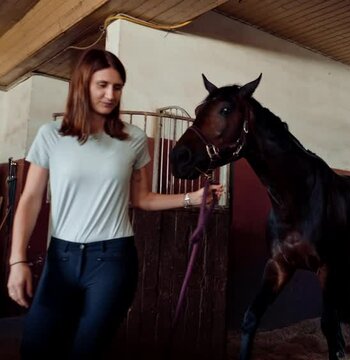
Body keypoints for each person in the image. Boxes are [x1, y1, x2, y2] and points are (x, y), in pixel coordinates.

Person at [5, 48, 223, 359]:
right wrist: (17, 261)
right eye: (102, 85)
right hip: (61, 258)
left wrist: (193, 198)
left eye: (117, 87)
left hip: (112, 260)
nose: (110, 94)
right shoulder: (51, 135)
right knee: (36, 347)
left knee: (88, 350)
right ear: (83, 85)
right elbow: (29, 199)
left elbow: (142, 199)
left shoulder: (133, 138)